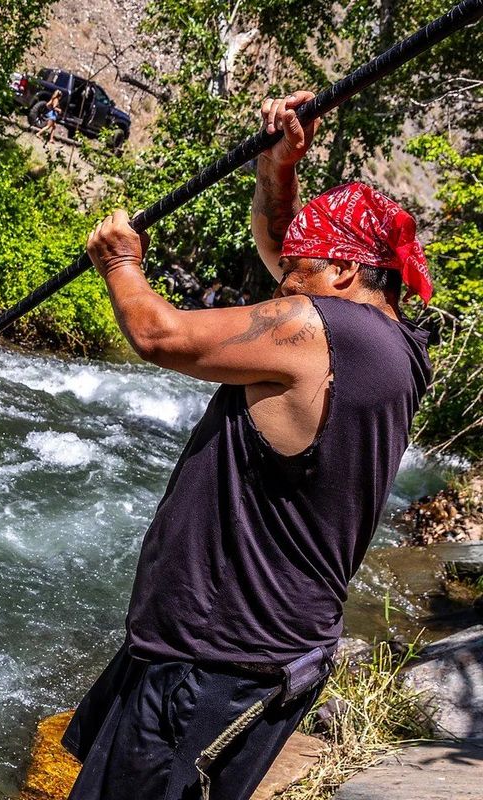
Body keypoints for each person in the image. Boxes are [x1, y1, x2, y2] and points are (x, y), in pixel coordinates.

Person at [60, 90, 433, 800]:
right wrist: (277, 171)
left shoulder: (321, 331)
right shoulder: (393, 347)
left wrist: (119, 262)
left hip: (215, 662)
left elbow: (160, 334)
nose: (281, 284)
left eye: (295, 277)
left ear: (344, 272)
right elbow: (284, 251)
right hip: (250, 649)